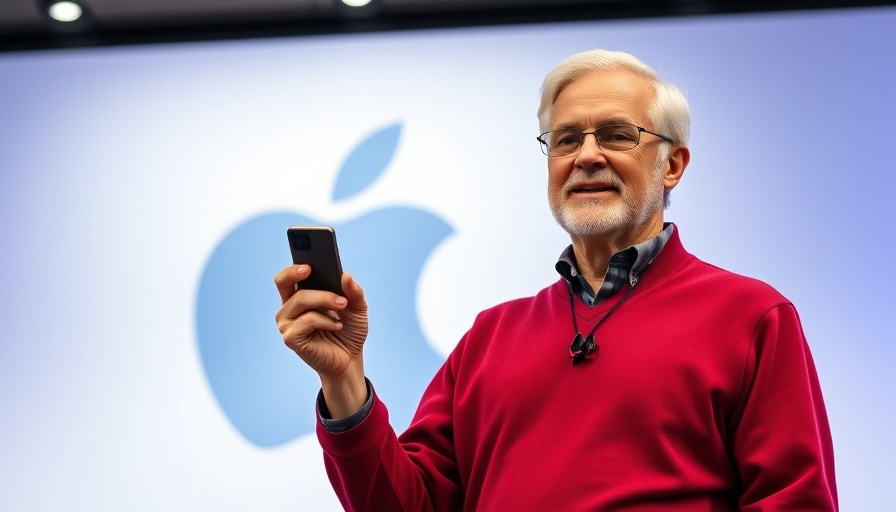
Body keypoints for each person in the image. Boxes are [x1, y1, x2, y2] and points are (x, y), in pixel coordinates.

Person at [274, 49, 838, 511]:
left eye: (617, 135)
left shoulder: (751, 318)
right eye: (566, 139)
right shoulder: (489, 339)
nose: (586, 155)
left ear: (672, 165)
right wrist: (344, 381)